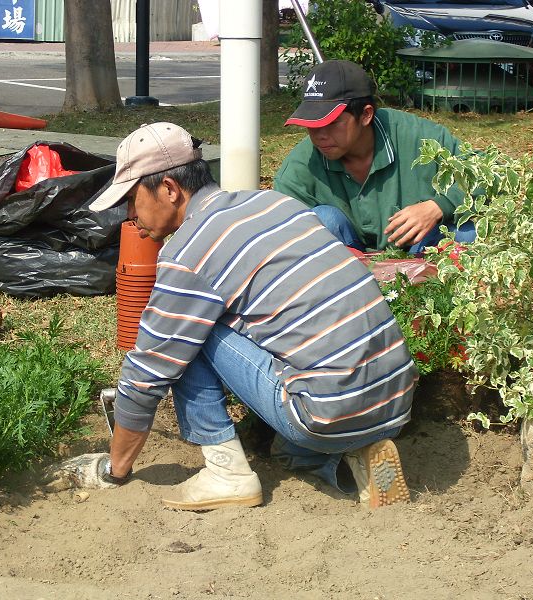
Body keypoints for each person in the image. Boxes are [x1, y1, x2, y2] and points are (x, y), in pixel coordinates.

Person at [69, 122, 417, 510]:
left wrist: (114, 469)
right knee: (284, 448)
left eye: (132, 199)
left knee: (188, 334)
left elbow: (148, 370)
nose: (130, 214)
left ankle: (227, 474)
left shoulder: (189, 254)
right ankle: (346, 452)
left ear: (169, 188)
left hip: (324, 410)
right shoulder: (274, 203)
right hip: (396, 399)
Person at [273, 59, 475, 254]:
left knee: (464, 234)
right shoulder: (301, 164)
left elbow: (490, 172)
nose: (320, 135)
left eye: (332, 123)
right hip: (343, 267)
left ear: (365, 115)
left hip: (421, 251)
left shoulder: (417, 136)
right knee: (321, 219)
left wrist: (438, 206)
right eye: (312, 124)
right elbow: (279, 228)